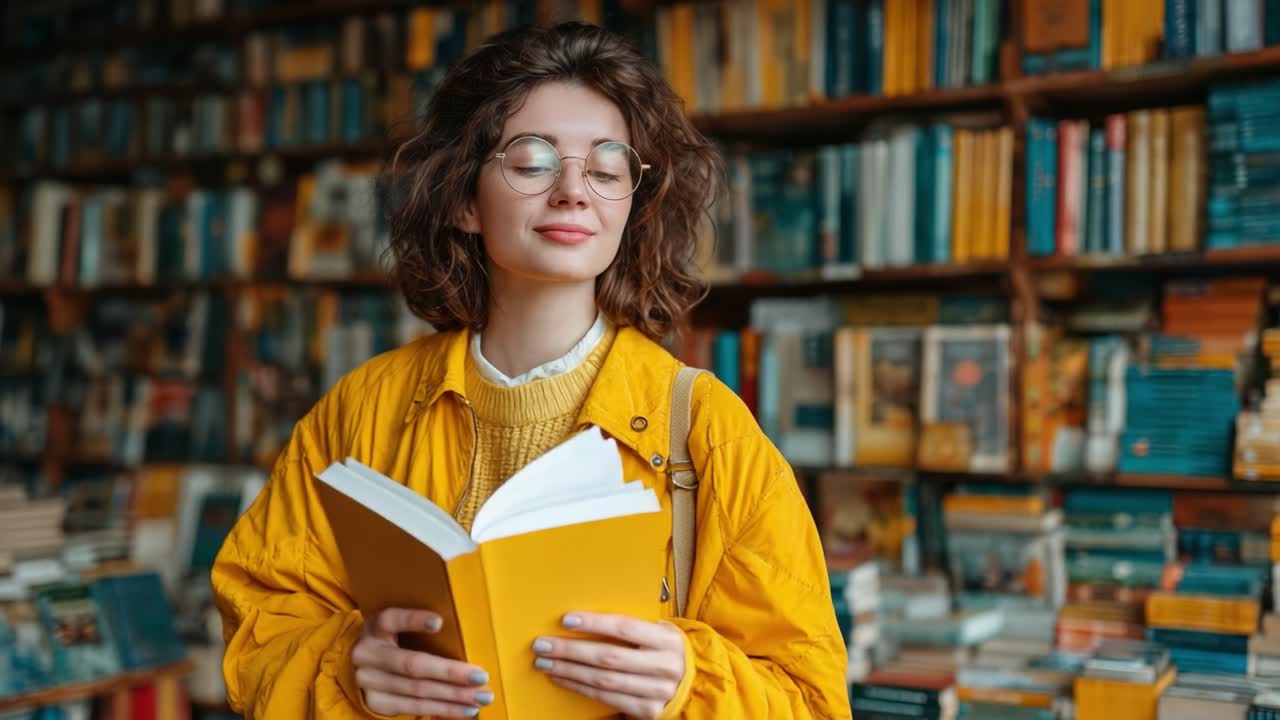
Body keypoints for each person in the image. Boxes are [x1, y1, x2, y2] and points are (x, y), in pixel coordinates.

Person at [212, 21, 850, 720]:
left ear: (632, 210)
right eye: (532, 161)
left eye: (607, 170)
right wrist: (346, 670)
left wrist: (689, 682)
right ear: (463, 199)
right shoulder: (362, 409)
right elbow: (261, 624)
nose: (574, 191)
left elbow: (811, 700)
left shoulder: (708, 431)